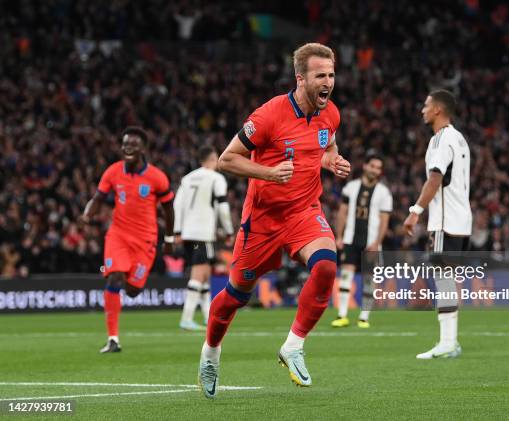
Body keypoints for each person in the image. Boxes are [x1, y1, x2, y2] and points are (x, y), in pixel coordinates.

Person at [198, 42, 351, 398]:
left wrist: (332, 161)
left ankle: (293, 346)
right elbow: (226, 160)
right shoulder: (269, 115)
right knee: (236, 295)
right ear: (301, 78)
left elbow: (326, 147)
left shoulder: (331, 114)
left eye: (331, 74)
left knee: (327, 266)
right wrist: (268, 173)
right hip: (263, 220)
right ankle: (211, 352)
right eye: (320, 75)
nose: (328, 81)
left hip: (304, 211)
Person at [80, 126, 175, 353]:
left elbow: (169, 209)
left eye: (133, 144)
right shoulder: (113, 172)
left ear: (143, 148)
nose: (128, 148)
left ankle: (132, 283)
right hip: (118, 235)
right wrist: (87, 214)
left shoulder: (156, 177)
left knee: (133, 290)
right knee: (114, 278)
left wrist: (170, 238)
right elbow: (98, 197)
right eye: (125, 144)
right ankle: (113, 339)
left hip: (145, 240)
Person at [403, 90, 472, 359]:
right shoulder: (460, 139)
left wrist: (415, 211)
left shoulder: (442, 140)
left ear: (438, 111)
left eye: (426, 105)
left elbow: (435, 179)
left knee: (443, 279)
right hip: (462, 219)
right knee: (451, 280)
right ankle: (451, 341)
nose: (422, 109)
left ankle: (446, 342)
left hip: (445, 221)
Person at [174, 146, 234, 331]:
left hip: (187, 233)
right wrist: (229, 231)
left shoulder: (187, 178)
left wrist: (177, 231)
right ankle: (187, 318)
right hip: (203, 233)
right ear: (212, 159)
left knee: (205, 274)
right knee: (199, 274)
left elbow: (177, 205)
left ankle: (209, 317)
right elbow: (223, 208)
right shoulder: (216, 178)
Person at [332, 154, 392, 328]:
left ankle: (364, 317)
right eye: (372, 166)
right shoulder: (351, 187)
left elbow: (384, 220)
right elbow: (342, 212)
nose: (375, 170)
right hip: (350, 239)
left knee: (369, 280)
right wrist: (339, 236)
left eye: (378, 168)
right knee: (345, 275)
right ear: (365, 166)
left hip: (371, 242)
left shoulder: (383, 193)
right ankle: (342, 315)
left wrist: (377, 243)